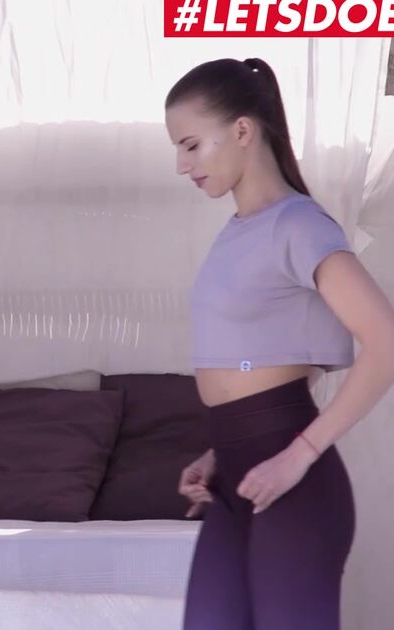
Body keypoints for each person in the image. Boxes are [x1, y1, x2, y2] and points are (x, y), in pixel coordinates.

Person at [165, 57, 394, 630]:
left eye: (191, 145)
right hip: (233, 478)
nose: (181, 165)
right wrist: (220, 451)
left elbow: (386, 342)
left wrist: (299, 454)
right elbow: (279, 351)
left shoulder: (299, 225)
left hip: (295, 485)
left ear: (243, 130)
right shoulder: (236, 233)